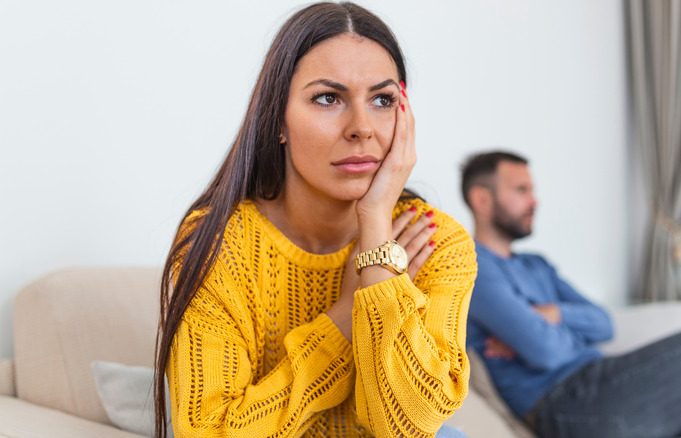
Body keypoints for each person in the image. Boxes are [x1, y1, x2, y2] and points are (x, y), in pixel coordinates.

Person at [153, 3, 477, 437]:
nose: (362, 127)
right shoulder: (216, 243)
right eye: (328, 98)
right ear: (278, 120)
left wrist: (377, 243)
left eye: (383, 100)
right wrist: (343, 321)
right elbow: (207, 432)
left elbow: (409, 428)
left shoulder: (435, 241)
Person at [461, 150, 681, 438]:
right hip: (571, 403)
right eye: (521, 190)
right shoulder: (473, 268)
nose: (535, 200)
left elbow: (605, 324)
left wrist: (556, 315)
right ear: (482, 200)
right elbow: (547, 352)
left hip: (610, 389)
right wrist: (553, 332)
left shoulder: (537, 266)